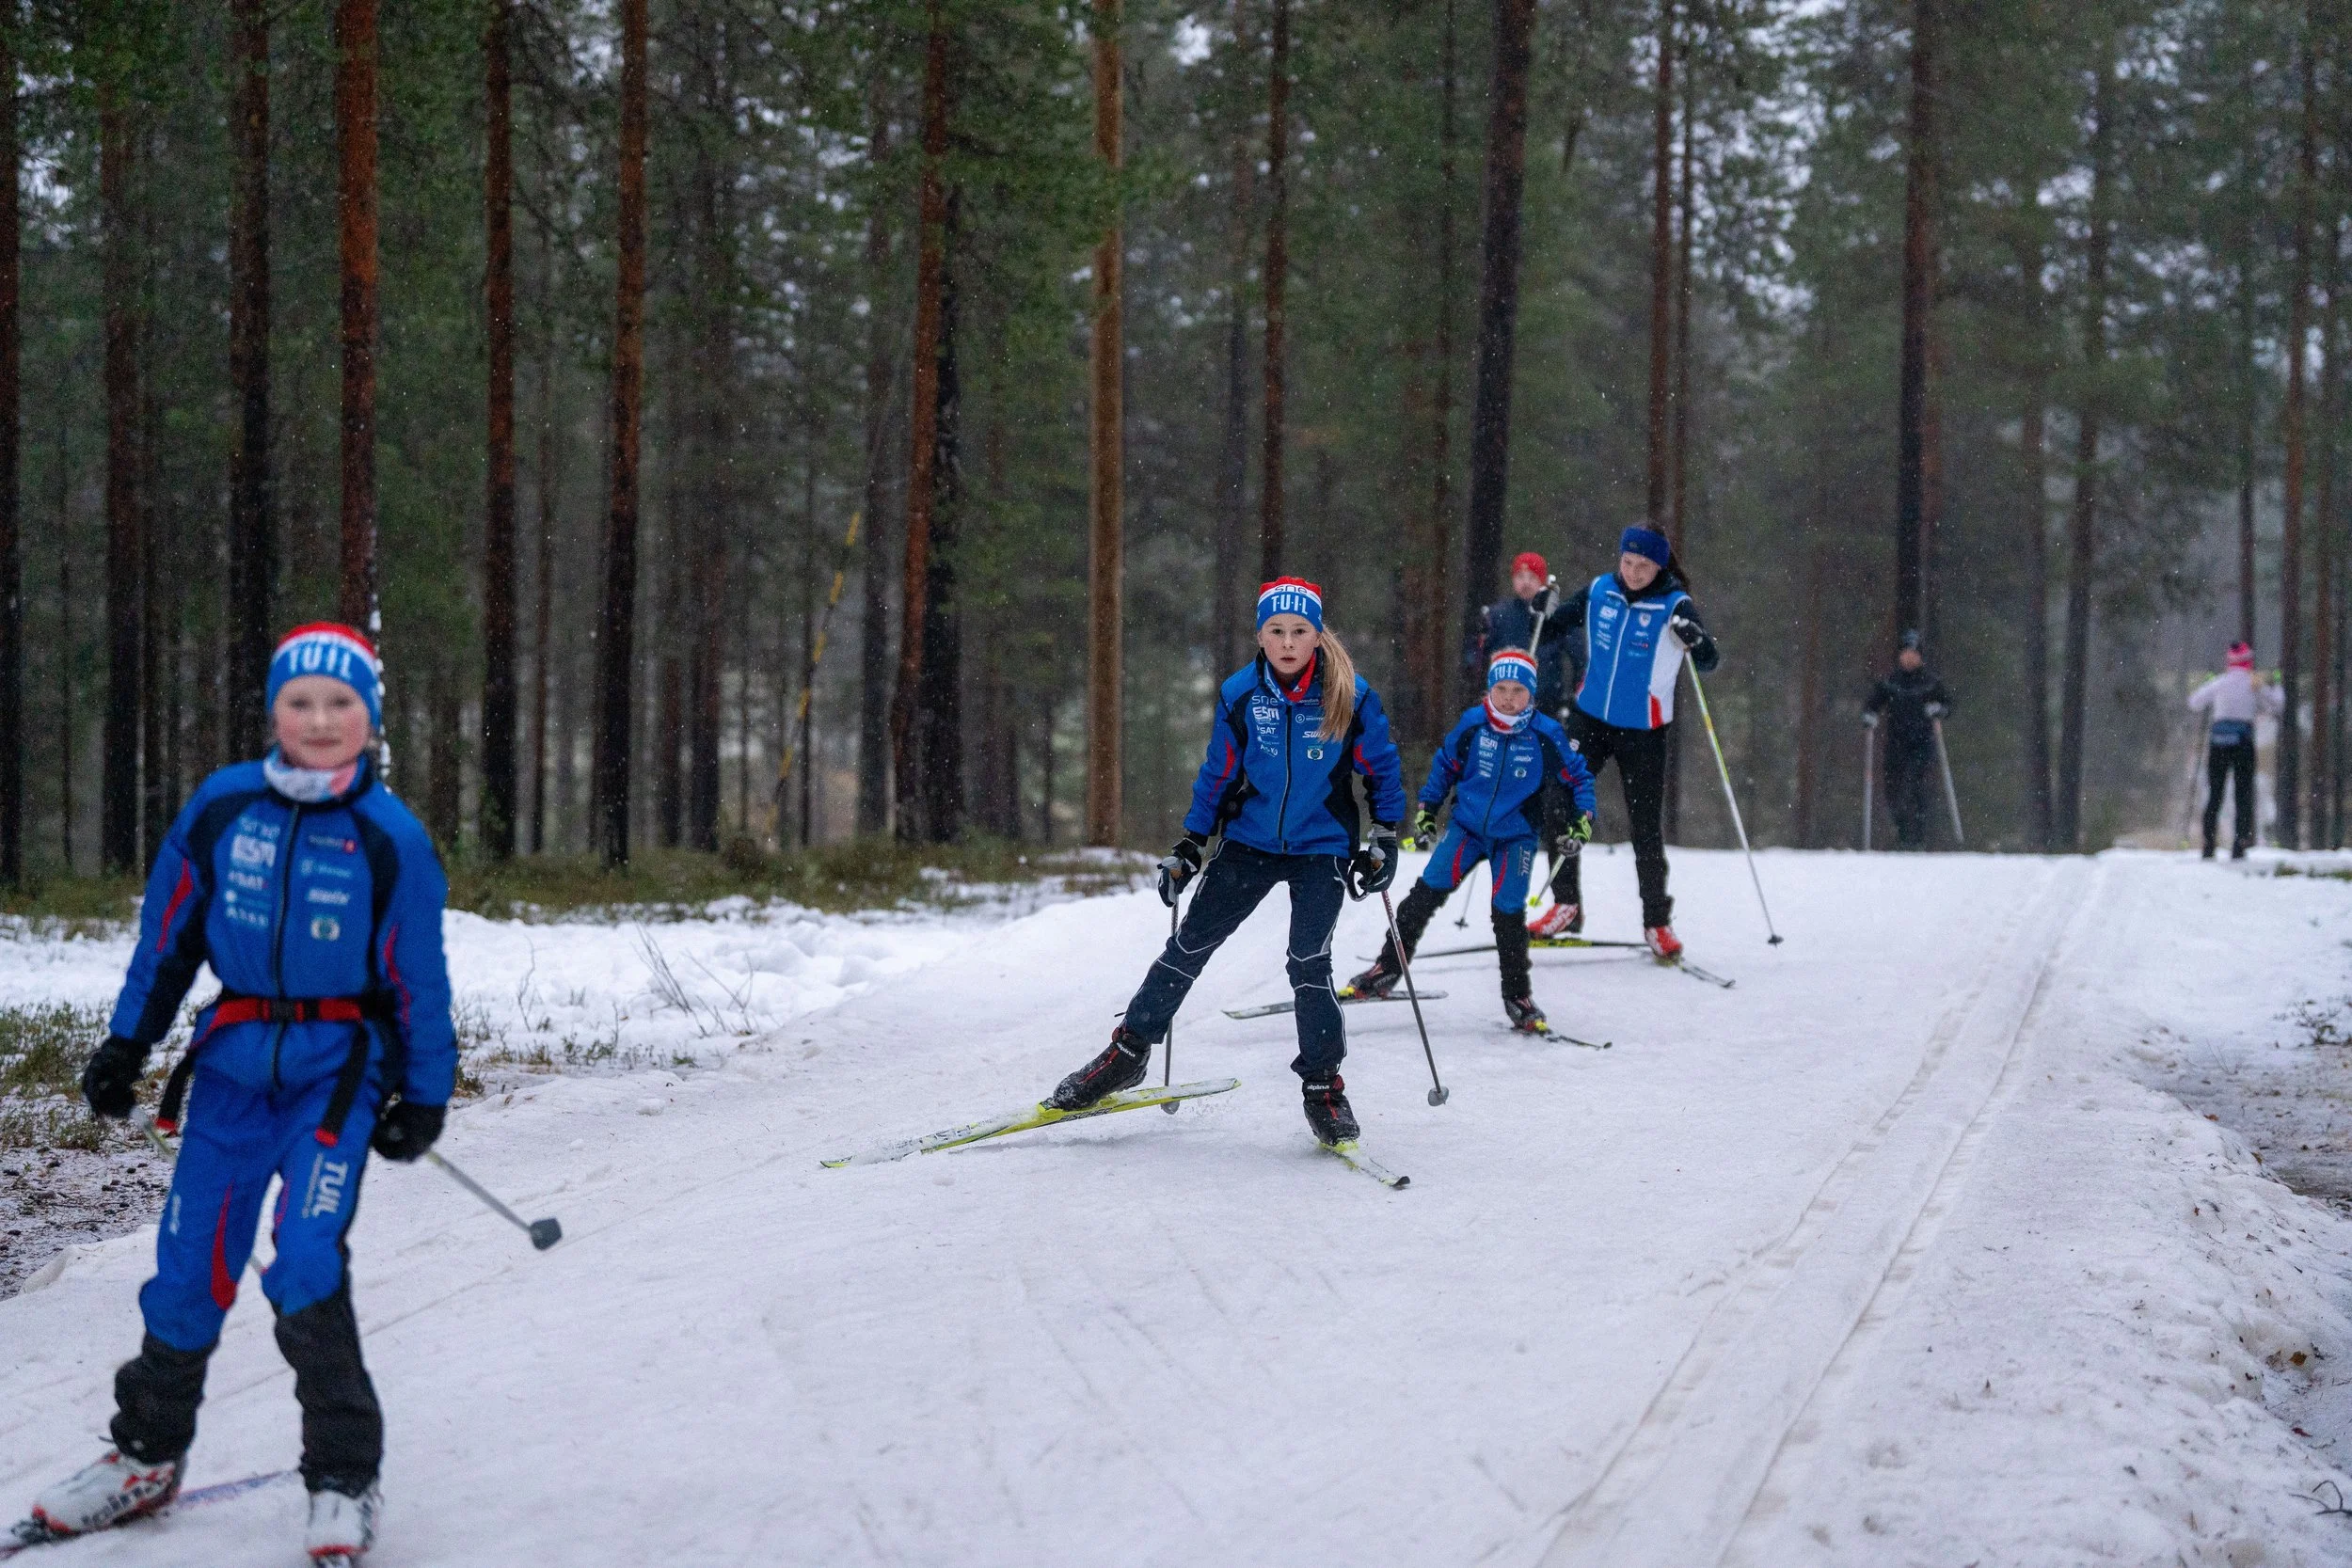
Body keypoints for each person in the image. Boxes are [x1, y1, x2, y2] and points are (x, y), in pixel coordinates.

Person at [24, 624, 454, 1565]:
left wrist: (425, 1093)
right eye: (301, 701)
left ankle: (343, 1473)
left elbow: (419, 979)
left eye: (341, 703)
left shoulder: (391, 838)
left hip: (335, 1072)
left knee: (303, 1259)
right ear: (273, 712)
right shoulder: (223, 808)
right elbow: (170, 937)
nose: (320, 719)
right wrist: (128, 1040)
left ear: (371, 718)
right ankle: (145, 1455)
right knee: (188, 1266)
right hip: (231, 1066)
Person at [1048, 578, 1406, 1147]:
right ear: (1260, 636)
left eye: (1300, 631)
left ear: (1317, 637)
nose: (1287, 642)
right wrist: (1192, 844)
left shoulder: (1351, 696)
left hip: (1321, 846)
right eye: (1275, 631)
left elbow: (1381, 768)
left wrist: (1385, 836)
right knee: (1188, 946)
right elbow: (1218, 773)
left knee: (1308, 962)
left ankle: (1323, 1086)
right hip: (1249, 842)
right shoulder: (1241, 694)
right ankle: (1127, 1054)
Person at [1344, 649, 1596, 1034]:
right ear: (1489, 690)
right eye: (1501, 689)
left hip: (1515, 837)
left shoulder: (1545, 734)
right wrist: (1428, 809)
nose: (1508, 699)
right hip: (1467, 830)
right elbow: (1445, 765)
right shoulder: (1474, 724)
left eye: (1518, 691)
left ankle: (1518, 997)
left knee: (1508, 914)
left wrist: (1582, 821)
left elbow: (1579, 777)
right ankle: (1386, 969)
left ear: (1531, 694)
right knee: (1422, 897)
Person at [1523, 526, 1718, 958]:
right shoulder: (1599, 590)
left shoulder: (1674, 604)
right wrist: (1542, 608)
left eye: (1643, 565)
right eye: (1627, 562)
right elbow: (1552, 629)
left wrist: (1696, 640)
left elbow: (1709, 661)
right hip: (1590, 718)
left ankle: (1657, 922)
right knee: (1558, 799)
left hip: (1644, 731)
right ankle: (1566, 905)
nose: (1633, 572)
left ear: (1659, 566)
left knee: (1644, 827)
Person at [1863, 629, 1956, 851]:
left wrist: (1939, 710)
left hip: (1922, 743)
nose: (1909, 657)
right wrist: (1869, 716)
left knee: (1917, 787)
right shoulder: (1891, 682)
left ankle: (1918, 837)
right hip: (1896, 743)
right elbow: (1872, 704)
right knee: (1894, 790)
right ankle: (1903, 834)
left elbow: (1948, 705)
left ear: (1920, 657)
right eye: (1906, 653)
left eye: (1914, 653)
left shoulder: (1930, 682)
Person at [2188, 640, 2280, 860]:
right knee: (2243, 795)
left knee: (2215, 794)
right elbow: (2277, 704)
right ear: (2248, 661)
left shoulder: (2220, 682)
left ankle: (2208, 844)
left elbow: (2194, 702)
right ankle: (2240, 843)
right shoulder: (2254, 683)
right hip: (2243, 745)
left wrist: (2207, 683)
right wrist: (2277, 684)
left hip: (2219, 744)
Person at [1463, 550, 1573, 714]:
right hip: (1502, 708)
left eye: (1532, 577)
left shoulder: (1557, 617)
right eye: (1520, 577)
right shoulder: (1497, 615)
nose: (1526, 583)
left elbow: (1579, 660)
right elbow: (1474, 658)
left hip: (1545, 707)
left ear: (1542, 581)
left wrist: (1569, 702)